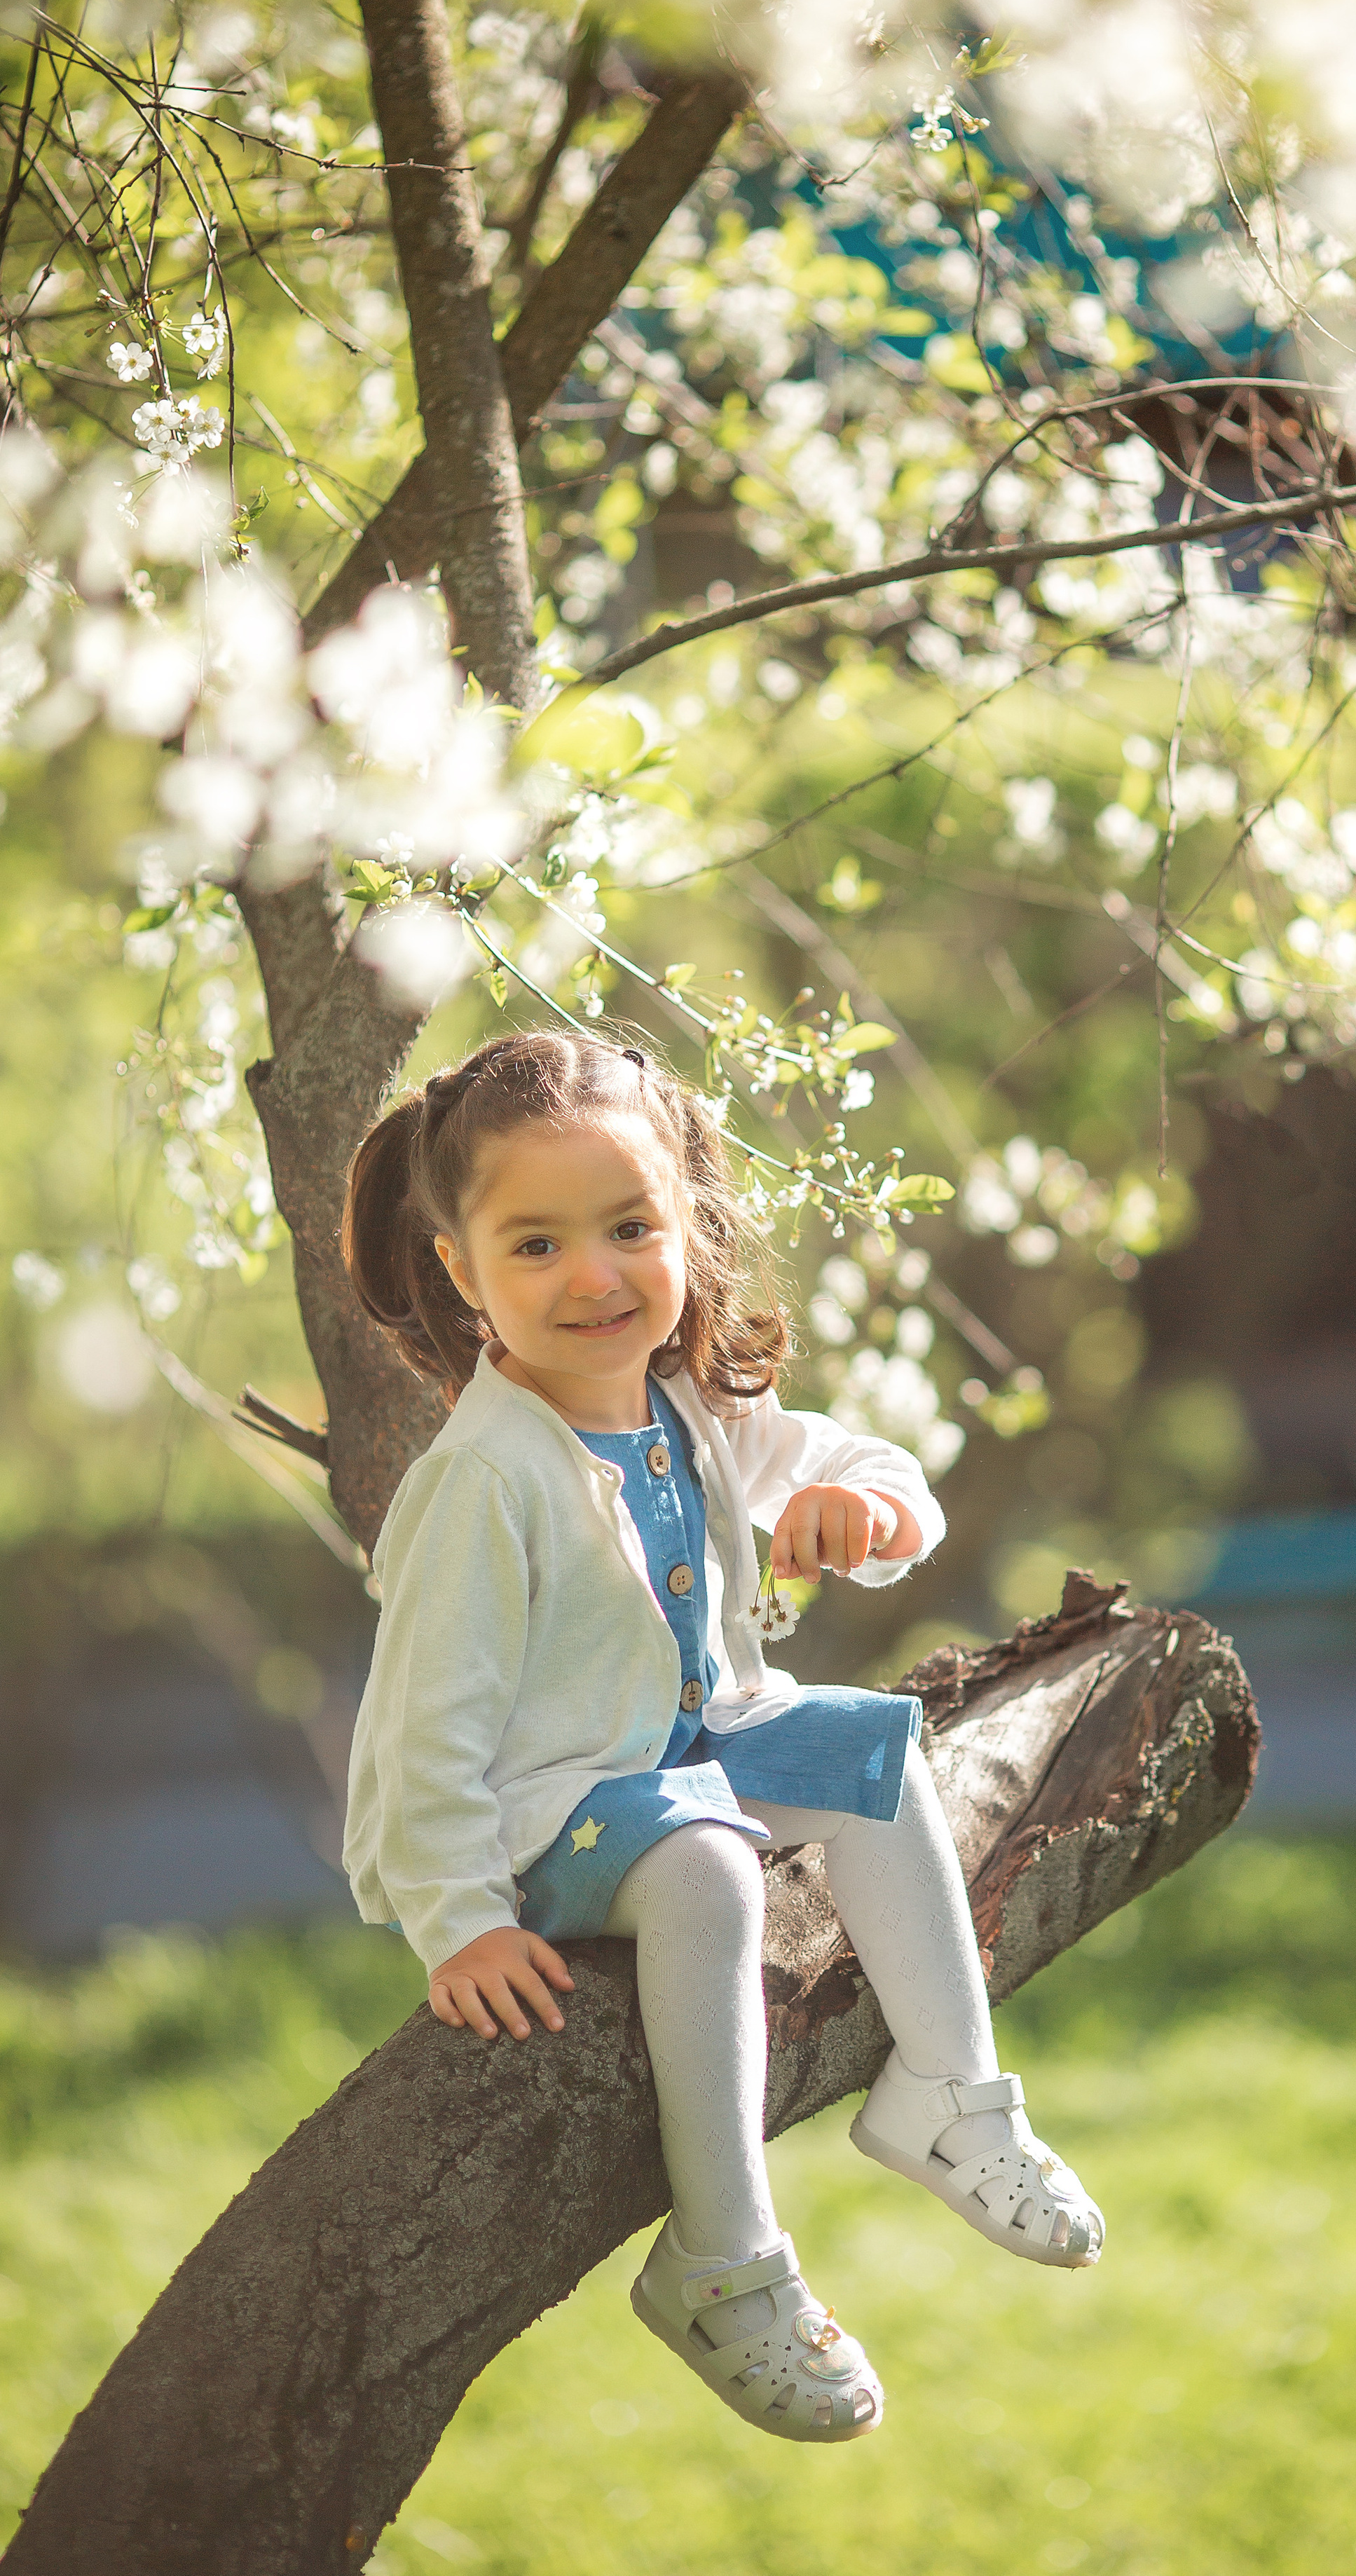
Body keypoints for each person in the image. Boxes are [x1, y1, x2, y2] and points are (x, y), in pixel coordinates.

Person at [338, 1027, 1103, 2444]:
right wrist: (455, 1922)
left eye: (631, 1227)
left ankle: (947, 2091)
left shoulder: (685, 1408)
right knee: (705, 1870)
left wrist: (867, 1518)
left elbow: (865, 1470)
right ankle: (723, 2258)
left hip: (691, 1748)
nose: (595, 1276)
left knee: (871, 1756)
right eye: (537, 1245)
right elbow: (421, 1734)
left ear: (685, 1219)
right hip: (559, 1809)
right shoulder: (481, 1483)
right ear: (461, 1272)